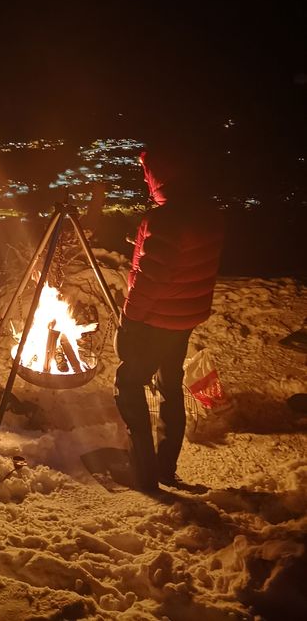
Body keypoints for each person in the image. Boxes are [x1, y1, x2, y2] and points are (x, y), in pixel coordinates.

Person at [114, 141, 225, 492]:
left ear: (161, 177)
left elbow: (152, 278)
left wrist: (130, 319)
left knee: (129, 386)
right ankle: (165, 467)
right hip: (183, 320)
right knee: (169, 388)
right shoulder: (208, 214)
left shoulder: (165, 219)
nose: (146, 181)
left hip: (154, 321)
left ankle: (144, 474)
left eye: (149, 175)